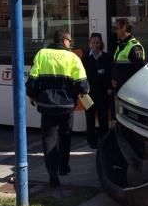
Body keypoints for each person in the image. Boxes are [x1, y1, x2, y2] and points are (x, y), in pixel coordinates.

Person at [26, 28, 89, 187]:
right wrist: (83, 92)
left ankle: (52, 173)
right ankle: (63, 167)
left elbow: (33, 79)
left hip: (47, 106)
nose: (70, 43)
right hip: (66, 106)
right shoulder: (72, 57)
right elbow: (82, 84)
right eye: (69, 41)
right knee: (65, 136)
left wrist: (32, 95)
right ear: (64, 40)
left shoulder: (42, 54)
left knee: (49, 139)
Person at [82, 33, 112, 149]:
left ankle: (104, 142)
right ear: (90, 43)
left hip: (103, 94)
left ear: (101, 44)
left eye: (97, 42)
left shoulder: (107, 57)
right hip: (87, 96)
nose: (95, 45)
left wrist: (110, 88)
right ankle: (92, 143)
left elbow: (110, 74)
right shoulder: (84, 58)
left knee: (103, 120)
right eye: (93, 42)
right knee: (89, 120)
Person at [111, 18, 146, 93]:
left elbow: (139, 71)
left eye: (117, 28)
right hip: (120, 88)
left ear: (123, 28)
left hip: (128, 89)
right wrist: (114, 79)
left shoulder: (135, 47)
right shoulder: (121, 45)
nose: (115, 31)